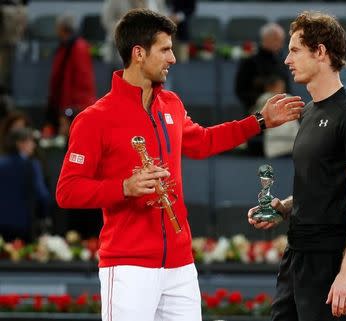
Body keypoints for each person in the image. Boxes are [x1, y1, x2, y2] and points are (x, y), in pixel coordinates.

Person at [56, 8, 303, 321]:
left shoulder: (171, 104)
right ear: (138, 53)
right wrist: (123, 187)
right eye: (165, 49)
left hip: (180, 266)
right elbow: (68, 191)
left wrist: (259, 121)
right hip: (128, 265)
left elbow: (202, 142)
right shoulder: (94, 119)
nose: (173, 58)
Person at [248, 11, 346, 321]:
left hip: (334, 262)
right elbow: (324, 184)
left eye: (294, 50)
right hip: (296, 258)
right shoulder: (306, 113)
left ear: (320, 52)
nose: (286, 60)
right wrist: (284, 207)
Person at [47, 13, 96, 131]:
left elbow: (83, 80)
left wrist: (76, 107)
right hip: (65, 104)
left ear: (62, 27)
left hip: (75, 107)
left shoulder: (78, 47)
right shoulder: (65, 47)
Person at [0, 127, 50, 242]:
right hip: (24, 224)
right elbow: (42, 194)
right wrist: (46, 214)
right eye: (30, 141)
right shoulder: (32, 165)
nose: (33, 145)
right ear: (20, 143)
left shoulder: (1, 163)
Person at [235, 22, 290, 114]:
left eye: (281, 40)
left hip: (281, 107)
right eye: (277, 40)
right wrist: (266, 92)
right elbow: (241, 90)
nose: (281, 44)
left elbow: (287, 87)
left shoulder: (281, 61)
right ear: (266, 39)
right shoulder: (250, 62)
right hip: (257, 110)